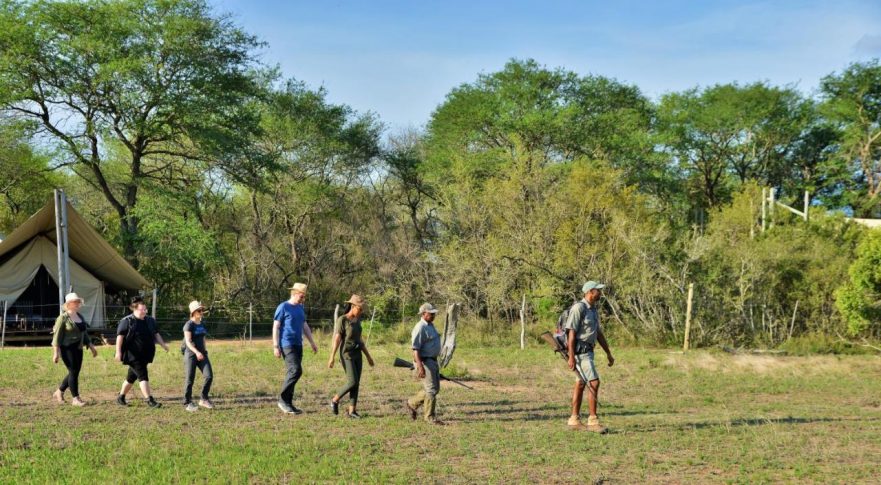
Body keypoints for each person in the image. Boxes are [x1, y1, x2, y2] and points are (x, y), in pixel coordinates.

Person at [563, 281, 615, 433]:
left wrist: (608, 353)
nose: (601, 293)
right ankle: (593, 421)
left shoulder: (593, 310)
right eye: (598, 290)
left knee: (581, 384)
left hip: (589, 352)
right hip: (581, 353)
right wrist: (571, 357)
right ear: (591, 292)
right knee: (594, 382)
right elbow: (571, 333)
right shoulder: (579, 308)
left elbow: (598, 333)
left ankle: (574, 420)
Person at [115, 296, 169, 408]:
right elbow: (120, 337)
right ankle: (149, 400)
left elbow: (156, 334)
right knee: (143, 376)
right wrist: (118, 352)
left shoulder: (150, 321)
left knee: (131, 377)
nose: (144, 311)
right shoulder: (127, 321)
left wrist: (163, 344)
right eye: (141, 309)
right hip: (132, 355)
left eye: (145, 309)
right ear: (134, 309)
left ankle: (121, 397)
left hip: (145, 354)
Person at [273, 283, 318, 414]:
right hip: (286, 344)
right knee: (296, 370)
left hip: (298, 344)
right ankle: (282, 400)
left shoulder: (300, 308)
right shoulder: (283, 307)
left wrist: (312, 342)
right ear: (294, 293)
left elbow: (305, 326)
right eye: (301, 295)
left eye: (304, 296)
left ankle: (288, 403)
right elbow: (276, 326)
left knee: (292, 373)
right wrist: (275, 346)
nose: (303, 298)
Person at [327, 294, 375, 418]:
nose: (361, 311)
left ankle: (352, 411)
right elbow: (337, 339)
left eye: (362, 309)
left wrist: (368, 356)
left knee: (356, 383)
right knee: (352, 381)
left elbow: (360, 340)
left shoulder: (358, 321)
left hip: (357, 354)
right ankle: (335, 400)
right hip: (346, 354)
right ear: (353, 306)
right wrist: (331, 357)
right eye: (359, 308)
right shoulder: (343, 320)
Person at [51, 292, 98, 406]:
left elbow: (84, 333)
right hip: (67, 349)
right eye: (75, 301)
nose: (77, 303)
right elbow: (56, 336)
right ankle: (75, 399)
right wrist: (56, 353)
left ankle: (59, 391)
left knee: (75, 372)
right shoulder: (62, 318)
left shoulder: (80, 316)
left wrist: (91, 346)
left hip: (78, 348)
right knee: (73, 371)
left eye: (78, 301)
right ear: (68, 304)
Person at [405, 303, 444, 424]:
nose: (433, 315)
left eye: (434, 313)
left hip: (432, 360)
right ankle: (429, 417)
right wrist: (420, 366)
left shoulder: (430, 325)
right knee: (431, 389)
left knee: (434, 389)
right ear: (423, 314)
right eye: (431, 313)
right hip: (424, 361)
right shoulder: (420, 327)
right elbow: (415, 349)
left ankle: (412, 403)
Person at [182, 300, 214, 412]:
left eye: (202, 310)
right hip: (191, 354)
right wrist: (197, 352)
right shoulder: (188, 325)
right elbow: (188, 342)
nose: (201, 312)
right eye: (199, 310)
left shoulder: (202, 323)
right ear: (193, 312)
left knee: (209, 376)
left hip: (202, 354)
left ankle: (203, 399)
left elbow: (203, 338)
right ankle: (187, 402)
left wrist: (204, 350)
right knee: (190, 379)